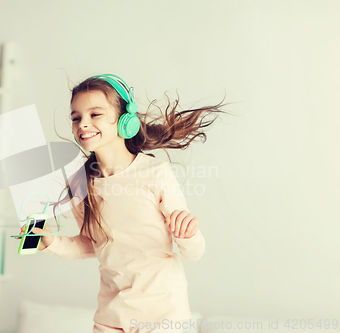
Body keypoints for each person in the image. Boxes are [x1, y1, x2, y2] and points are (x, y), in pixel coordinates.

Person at [15, 74, 232, 333]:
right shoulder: (79, 184)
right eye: (76, 117)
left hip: (164, 314)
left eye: (95, 114)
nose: (83, 124)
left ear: (125, 121)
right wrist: (52, 243)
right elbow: (92, 243)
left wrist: (188, 234)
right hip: (112, 316)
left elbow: (194, 253)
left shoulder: (156, 172)